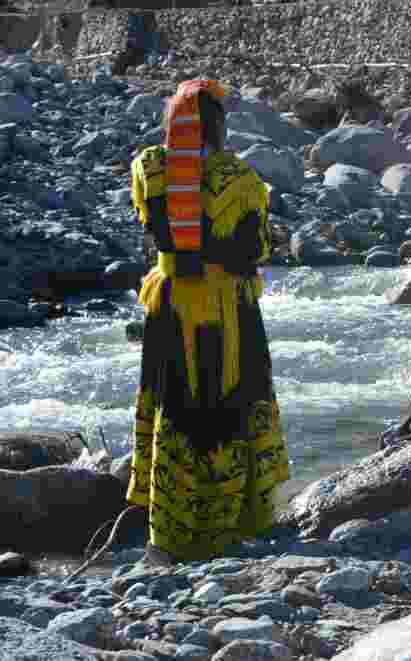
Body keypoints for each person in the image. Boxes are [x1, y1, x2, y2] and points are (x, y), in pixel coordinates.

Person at [126, 79, 289, 563]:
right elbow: (252, 250)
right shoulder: (240, 179)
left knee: (173, 405)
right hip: (227, 310)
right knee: (231, 400)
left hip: (171, 303)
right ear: (218, 124)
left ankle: (171, 529)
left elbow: (153, 228)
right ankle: (236, 521)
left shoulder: (149, 167)